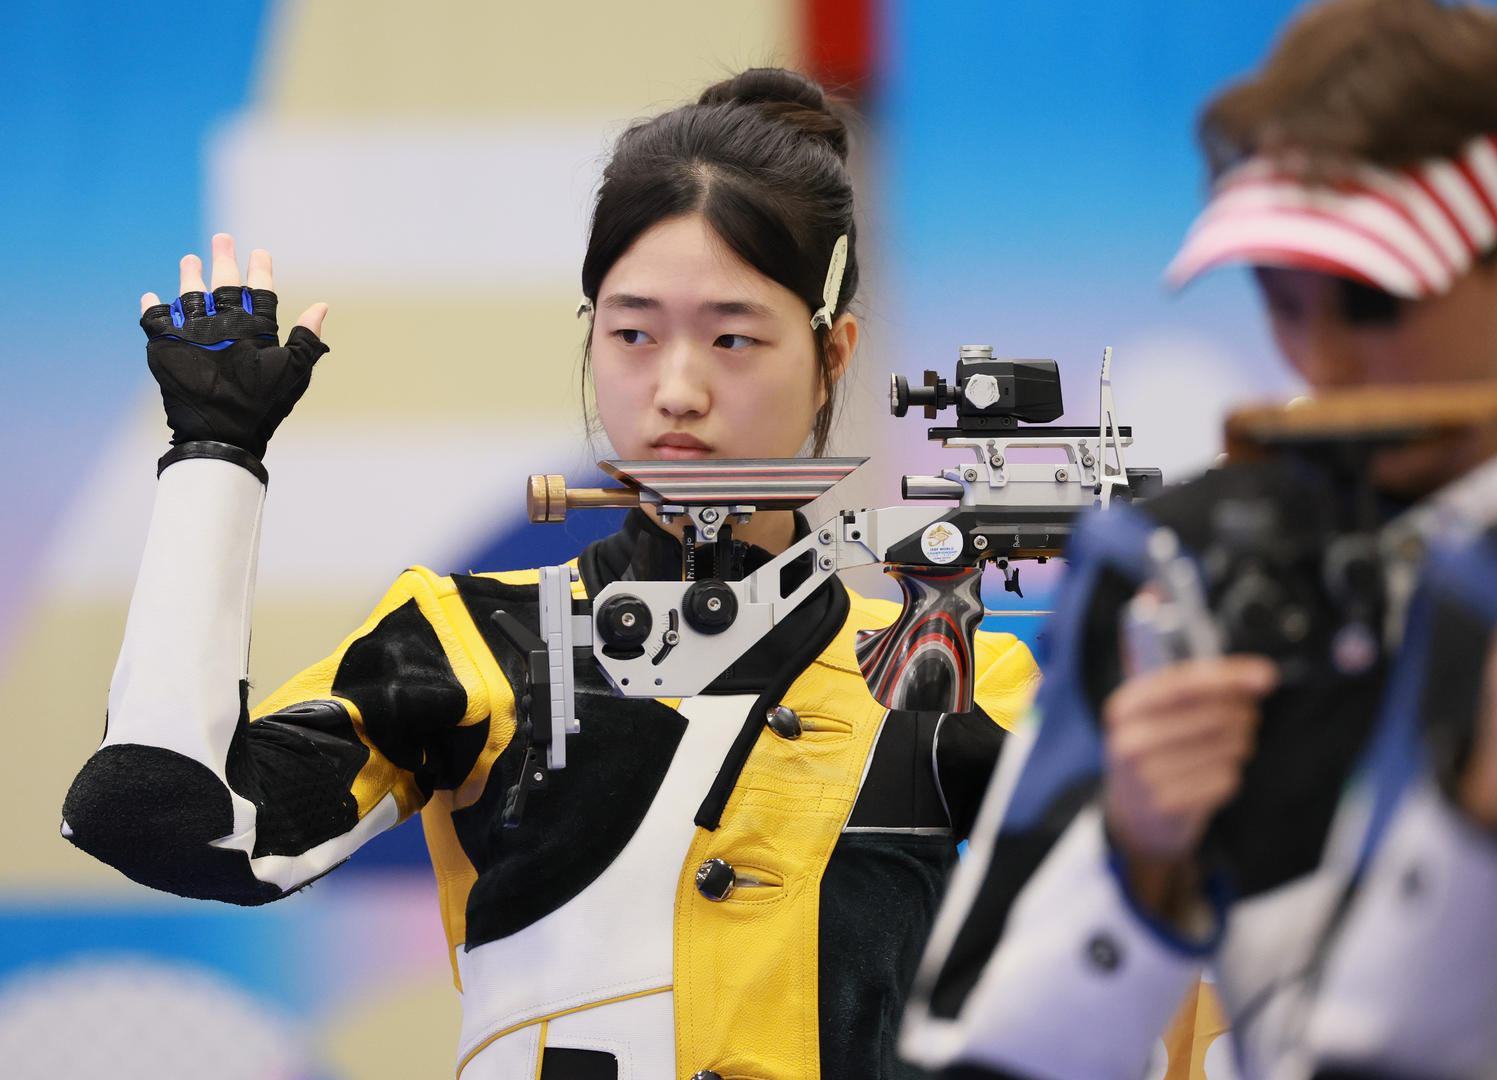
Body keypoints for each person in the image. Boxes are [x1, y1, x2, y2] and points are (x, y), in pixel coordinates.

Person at [61, 69, 1038, 1080]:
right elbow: (158, 815)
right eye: (632, 333)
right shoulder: (468, 640)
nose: (677, 389)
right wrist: (214, 459)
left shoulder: (957, 679)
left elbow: (1144, 943)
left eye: (735, 337)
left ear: (834, 354)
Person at [898, 2, 1497, 1076]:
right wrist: (1138, 860)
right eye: (1281, 297)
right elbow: (967, 1054)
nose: (1320, 357)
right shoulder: (1178, 567)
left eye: (1371, 301)